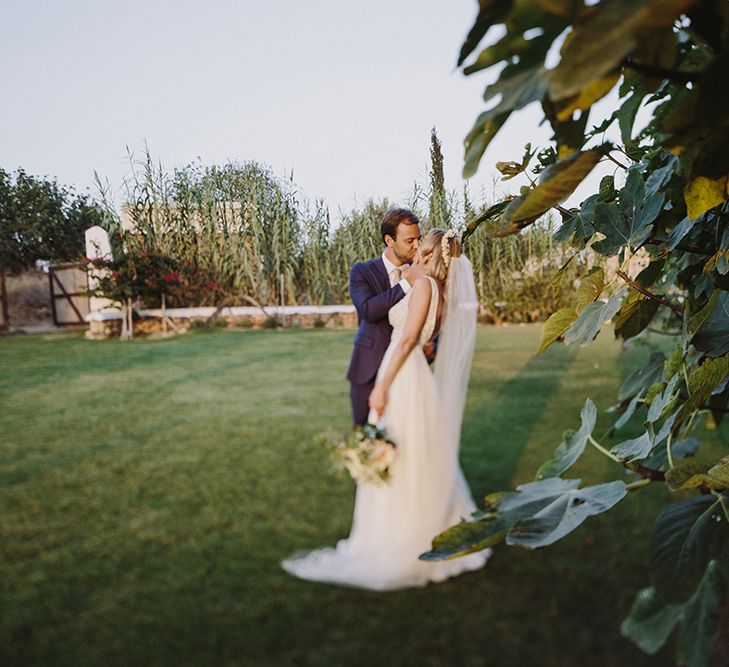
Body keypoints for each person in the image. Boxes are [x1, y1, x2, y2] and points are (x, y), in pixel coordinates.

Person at [281, 228, 490, 591]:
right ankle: (428, 522)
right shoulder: (445, 293)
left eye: (420, 250)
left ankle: (399, 538)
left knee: (400, 452)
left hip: (402, 373)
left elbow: (408, 338)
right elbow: (425, 337)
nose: (416, 255)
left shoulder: (424, 286)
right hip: (416, 374)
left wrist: (380, 386)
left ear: (428, 254)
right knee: (416, 453)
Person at [345, 208, 432, 426]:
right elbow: (368, 310)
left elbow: (432, 312)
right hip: (368, 370)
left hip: (406, 371)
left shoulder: (422, 273)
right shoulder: (362, 271)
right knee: (365, 441)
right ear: (389, 240)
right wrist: (406, 283)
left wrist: (434, 344)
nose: (417, 245)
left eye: (418, 239)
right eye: (409, 240)